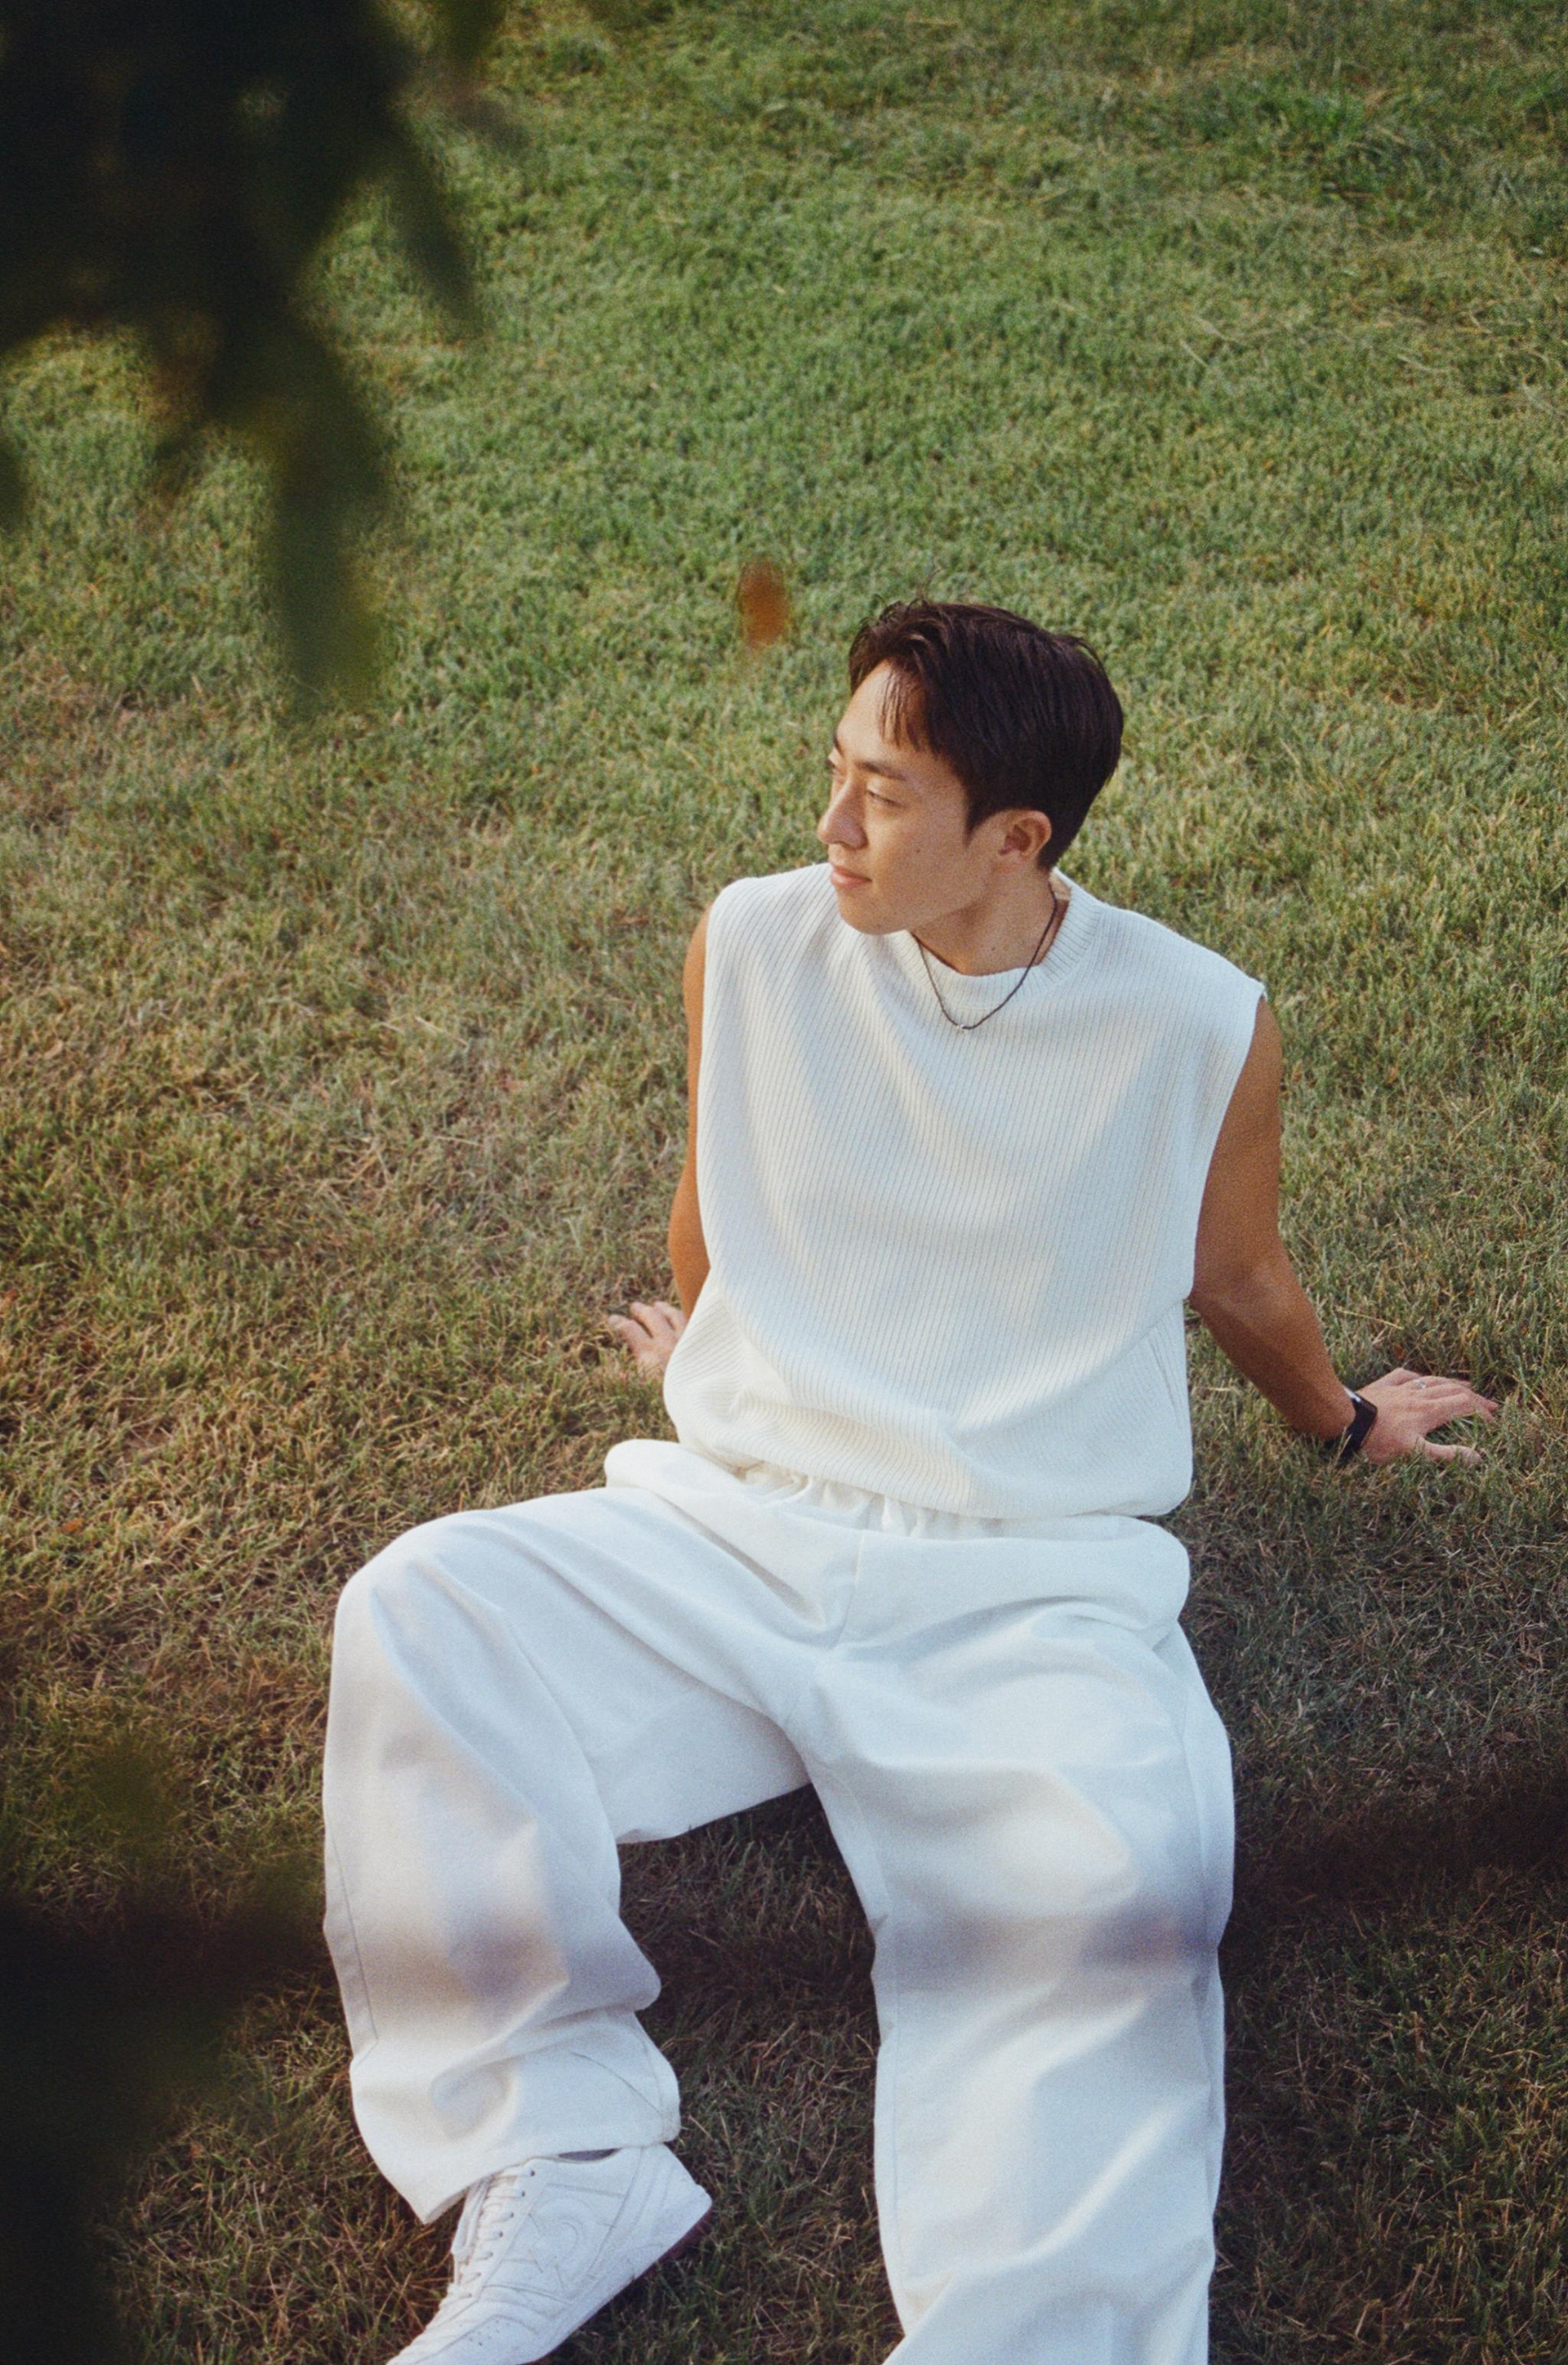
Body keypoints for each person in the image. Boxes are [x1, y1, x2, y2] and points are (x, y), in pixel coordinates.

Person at [322, 599, 1497, 2365]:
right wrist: (712, 1346)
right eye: (835, 771)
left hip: (1029, 1590)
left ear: (1016, 837)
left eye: (881, 794)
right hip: (740, 1530)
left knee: (1112, 1916)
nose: (832, 825)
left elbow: (1237, 1276)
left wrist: (1339, 1419)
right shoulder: (756, 937)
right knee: (428, 1605)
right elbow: (719, 1184)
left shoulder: (1196, 1021)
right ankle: (554, 2158)